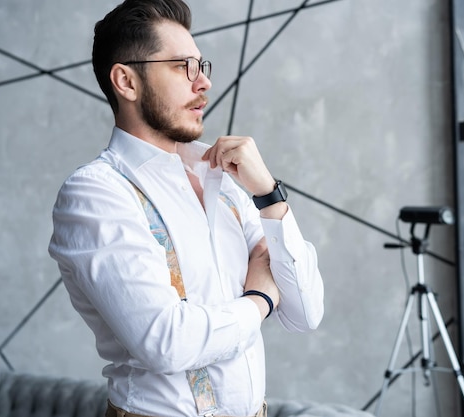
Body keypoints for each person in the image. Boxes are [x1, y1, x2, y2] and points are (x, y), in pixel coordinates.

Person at [47, 0, 324, 416]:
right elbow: (168, 342)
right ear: (126, 81)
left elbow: (306, 312)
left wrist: (268, 194)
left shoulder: (225, 180)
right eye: (182, 67)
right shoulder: (96, 193)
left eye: (202, 66)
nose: (204, 84)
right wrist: (261, 299)